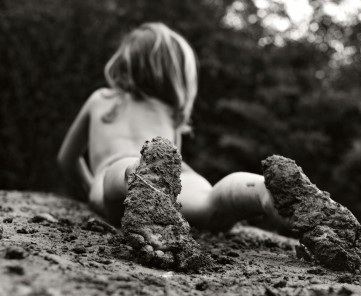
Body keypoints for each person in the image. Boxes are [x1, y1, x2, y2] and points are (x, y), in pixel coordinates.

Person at [57, 22, 283, 230]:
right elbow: (174, 165)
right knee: (209, 202)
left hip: (117, 173)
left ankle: (137, 175)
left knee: (126, 172)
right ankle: (263, 189)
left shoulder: (101, 99)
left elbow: (67, 159)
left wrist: (90, 185)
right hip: (177, 179)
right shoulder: (170, 113)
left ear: (127, 62)